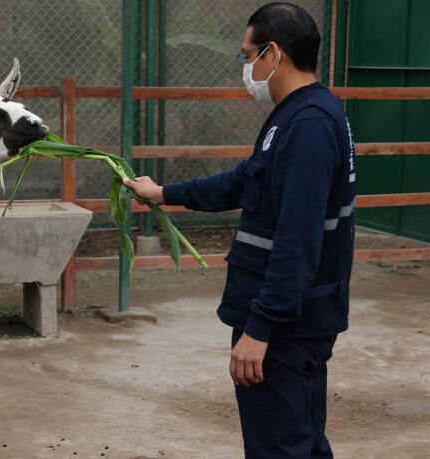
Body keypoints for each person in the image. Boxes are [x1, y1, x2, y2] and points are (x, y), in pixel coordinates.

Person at [123, 3, 356, 457]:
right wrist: (165, 192)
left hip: (288, 326)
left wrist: (260, 329)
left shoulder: (308, 126)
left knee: (280, 447)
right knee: (301, 442)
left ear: (274, 54)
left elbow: (297, 241)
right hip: (299, 318)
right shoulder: (298, 115)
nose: (246, 67)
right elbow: (244, 180)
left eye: (248, 56)